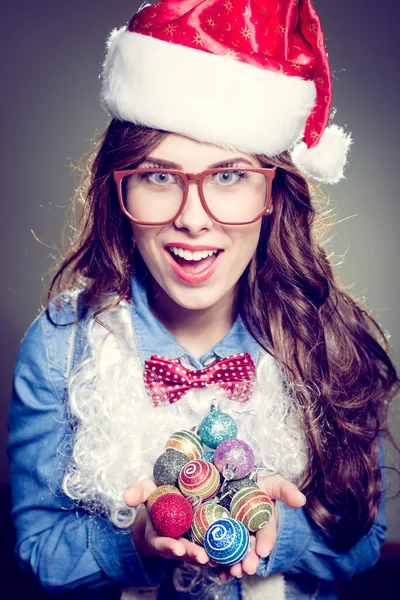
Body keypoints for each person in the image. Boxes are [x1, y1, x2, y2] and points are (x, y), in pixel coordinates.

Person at [8, 1, 399, 599]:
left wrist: (280, 530)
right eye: (160, 176)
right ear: (119, 190)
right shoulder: (62, 343)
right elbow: (35, 550)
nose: (193, 220)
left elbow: (366, 542)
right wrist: (133, 540)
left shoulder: (330, 338)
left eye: (229, 175)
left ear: (273, 194)